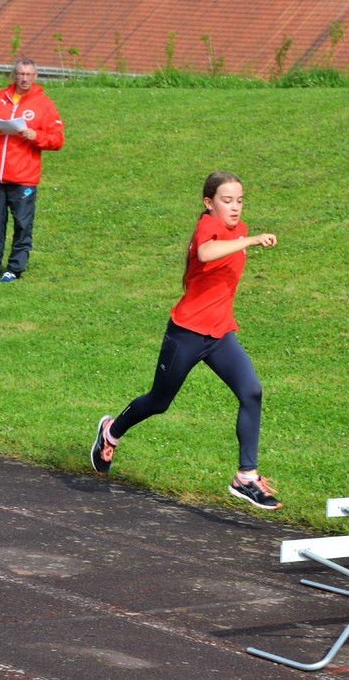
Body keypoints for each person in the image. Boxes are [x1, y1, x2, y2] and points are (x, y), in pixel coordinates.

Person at [90, 172, 283, 510]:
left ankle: (246, 477)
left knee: (252, 392)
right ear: (209, 203)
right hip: (187, 334)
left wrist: (243, 237)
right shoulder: (207, 226)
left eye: (239, 200)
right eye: (227, 201)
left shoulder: (237, 229)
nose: (235, 207)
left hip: (220, 335)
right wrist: (250, 240)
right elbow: (206, 253)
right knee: (159, 401)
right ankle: (111, 431)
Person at [0, 58, 64, 284]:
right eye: (20, 74)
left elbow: (57, 139)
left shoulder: (44, 104)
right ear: (14, 75)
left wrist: (36, 136)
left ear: (36, 76)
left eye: (28, 75)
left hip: (24, 178)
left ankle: (15, 269)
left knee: (22, 224)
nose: (24, 79)